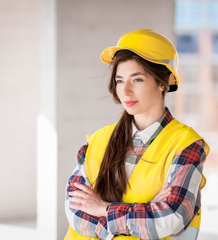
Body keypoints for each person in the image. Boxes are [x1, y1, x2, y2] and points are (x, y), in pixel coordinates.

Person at [64, 29, 210, 240]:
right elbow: (75, 210)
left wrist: (103, 209)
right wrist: (143, 213)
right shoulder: (97, 140)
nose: (125, 91)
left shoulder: (186, 145)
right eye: (120, 80)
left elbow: (171, 217)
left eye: (137, 79)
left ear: (164, 81)